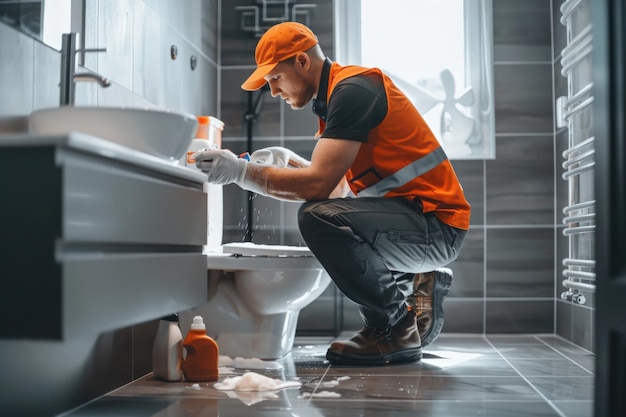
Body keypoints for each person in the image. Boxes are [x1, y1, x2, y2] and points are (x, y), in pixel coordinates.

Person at [193, 22, 470, 366]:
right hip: (415, 222)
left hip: (435, 227)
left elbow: (319, 189)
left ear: (302, 62)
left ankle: (394, 328)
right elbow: (336, 192)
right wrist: (291, 164)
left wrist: (241, 173)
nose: (274, 91)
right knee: (322, 213)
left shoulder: (354, 89)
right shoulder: (337, 99)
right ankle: (415, 293)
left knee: (317, 219)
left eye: (275, 78)